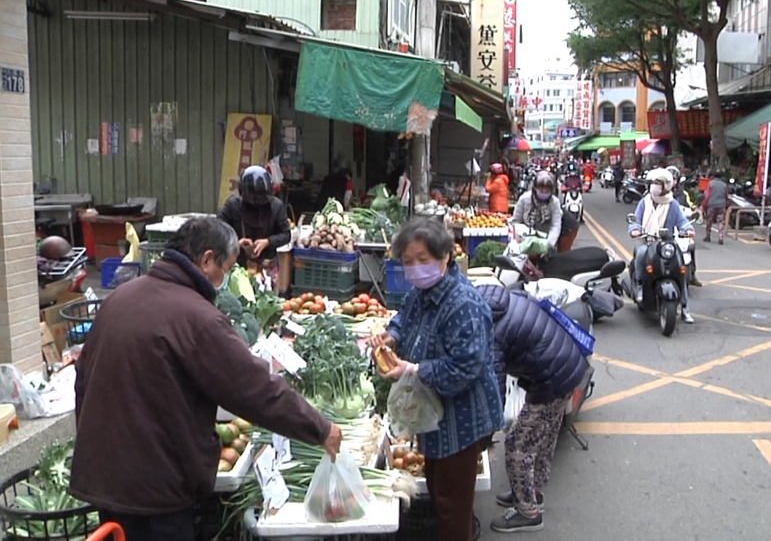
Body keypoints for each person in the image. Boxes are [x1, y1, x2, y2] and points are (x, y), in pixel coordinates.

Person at [71, 217, 342, 541]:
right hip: (157, 491)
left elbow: (82, 380)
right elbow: (254, 388)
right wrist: (320, 428)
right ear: (207, 259)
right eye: (225, 269)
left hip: (106, 481)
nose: (224, 278)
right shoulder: (196, 317)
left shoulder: (119, 297)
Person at [370, 217, 503, 541]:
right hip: (434, 412)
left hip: (462, 417)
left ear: (445, 257)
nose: (415, 268)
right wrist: (392, 336)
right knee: (438, 485)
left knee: (452, 504)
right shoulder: (423, 290)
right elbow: (406, 315)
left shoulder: (464, 304)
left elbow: (465, 368)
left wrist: (413, 370)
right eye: (408, 262)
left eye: (423, 260)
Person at [477, 284, 588, 534]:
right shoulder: (495, 300)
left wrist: (486, 433)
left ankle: (528, 513)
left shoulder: (491, 332)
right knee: (543, 438)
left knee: (518, 443)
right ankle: (530, 493)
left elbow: (496, 389)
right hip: (566, 365)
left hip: (553, 376)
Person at [627, 169, 697, 323]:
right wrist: (635, 230)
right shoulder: (644, 202)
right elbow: (635, 221)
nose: (654, 187)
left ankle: (685, 308)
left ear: (665, 186)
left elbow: (682, 221)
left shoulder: (673, 204)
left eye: (657, 183)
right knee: (640, 254)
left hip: (668, 244)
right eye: (652, 183)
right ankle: (639, 284)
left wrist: (688, 230)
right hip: (647, 241)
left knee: (682, 270)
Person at [218, 166, 291, 282]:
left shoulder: (277, 206)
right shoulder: (233, 206)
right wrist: (236, 243)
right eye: (253, 197)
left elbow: (286, 234)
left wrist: (267, 242)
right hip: (237, 267)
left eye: (261, 197)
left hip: (267, 267)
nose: (257, 201)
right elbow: (218, 230)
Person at [665, 166, 702, 287]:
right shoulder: (659, 193)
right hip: (662, 228)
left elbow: (690, 207)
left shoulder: (683, 194)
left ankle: (692, 274)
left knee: (690, 247)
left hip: (680, 228)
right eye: (669, 179)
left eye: (674, 179)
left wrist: (695, 211)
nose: (672, 182)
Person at [512, 172, 563, 251]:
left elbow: (555, 226)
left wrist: (548, 244)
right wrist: (521, 239)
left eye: (547, 189)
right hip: (524, 239)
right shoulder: (524, 199)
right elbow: (516, 221)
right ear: (535, 188)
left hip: (546, 239)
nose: (544, 191)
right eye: (541, 188)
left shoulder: (554, 202)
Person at [701, 170, 729, 244]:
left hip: (711, 205)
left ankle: (707, 236)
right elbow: (726, 195)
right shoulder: (724, 185)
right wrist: (727, 203)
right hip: (721, 205)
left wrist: (704, 204)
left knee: (709, 221)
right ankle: (720, 237)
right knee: (721, 221)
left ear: (713, 176)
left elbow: (707, 196)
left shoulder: (710, 184)